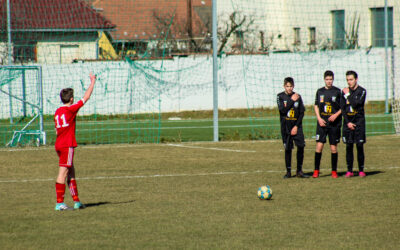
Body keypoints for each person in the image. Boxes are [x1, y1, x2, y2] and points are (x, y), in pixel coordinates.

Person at [54, 73, 96, 210]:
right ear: (71, 99)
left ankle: (77, 201)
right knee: (63, 173)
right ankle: (59, 203)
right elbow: (86, 97)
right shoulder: (71, 109)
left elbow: (56, 130)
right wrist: (93, 81)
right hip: (67, 144)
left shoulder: (57, 111)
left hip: (59, 144)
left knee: (71, 171)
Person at [277, 77, 309, 178]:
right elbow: (282, 110)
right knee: (288, 148)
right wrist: (291, 100)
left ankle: (299, 171)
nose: (289, 88)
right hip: (286, 127)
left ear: (293, 86)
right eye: (287, 86)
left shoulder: (298, 96)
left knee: (301, 146)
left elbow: (301, 112)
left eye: (291, 86)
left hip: (297, 126)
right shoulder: (280, 96)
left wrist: (296, 126)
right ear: (284, 86)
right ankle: (288, 172)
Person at [312, 70, 342, 178]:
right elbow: (316, 105)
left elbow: (342, 107)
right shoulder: (320, 91)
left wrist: (336, 115)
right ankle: (316, 170)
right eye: (327, 79)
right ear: (324, 79)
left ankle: (334, 171)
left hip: (334, 125)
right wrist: (319, 118)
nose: (329, 81)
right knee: (319, 146)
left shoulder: (338, 91)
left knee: (333, 148)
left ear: (333, 79)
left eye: (330, 79)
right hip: (322, 124)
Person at [340, 70, 367, 177]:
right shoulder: (344, 92)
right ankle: (349, 170)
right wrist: (347, 123)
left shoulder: (362, 91)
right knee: (349, 146)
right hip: (348, 123)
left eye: (351, 79)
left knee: (359, 146)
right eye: (347, 80)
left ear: (356, 79)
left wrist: (347, 94)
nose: (349, 82)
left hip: (359, 123)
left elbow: (356, 104)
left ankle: (361, 170)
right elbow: (342, 109)